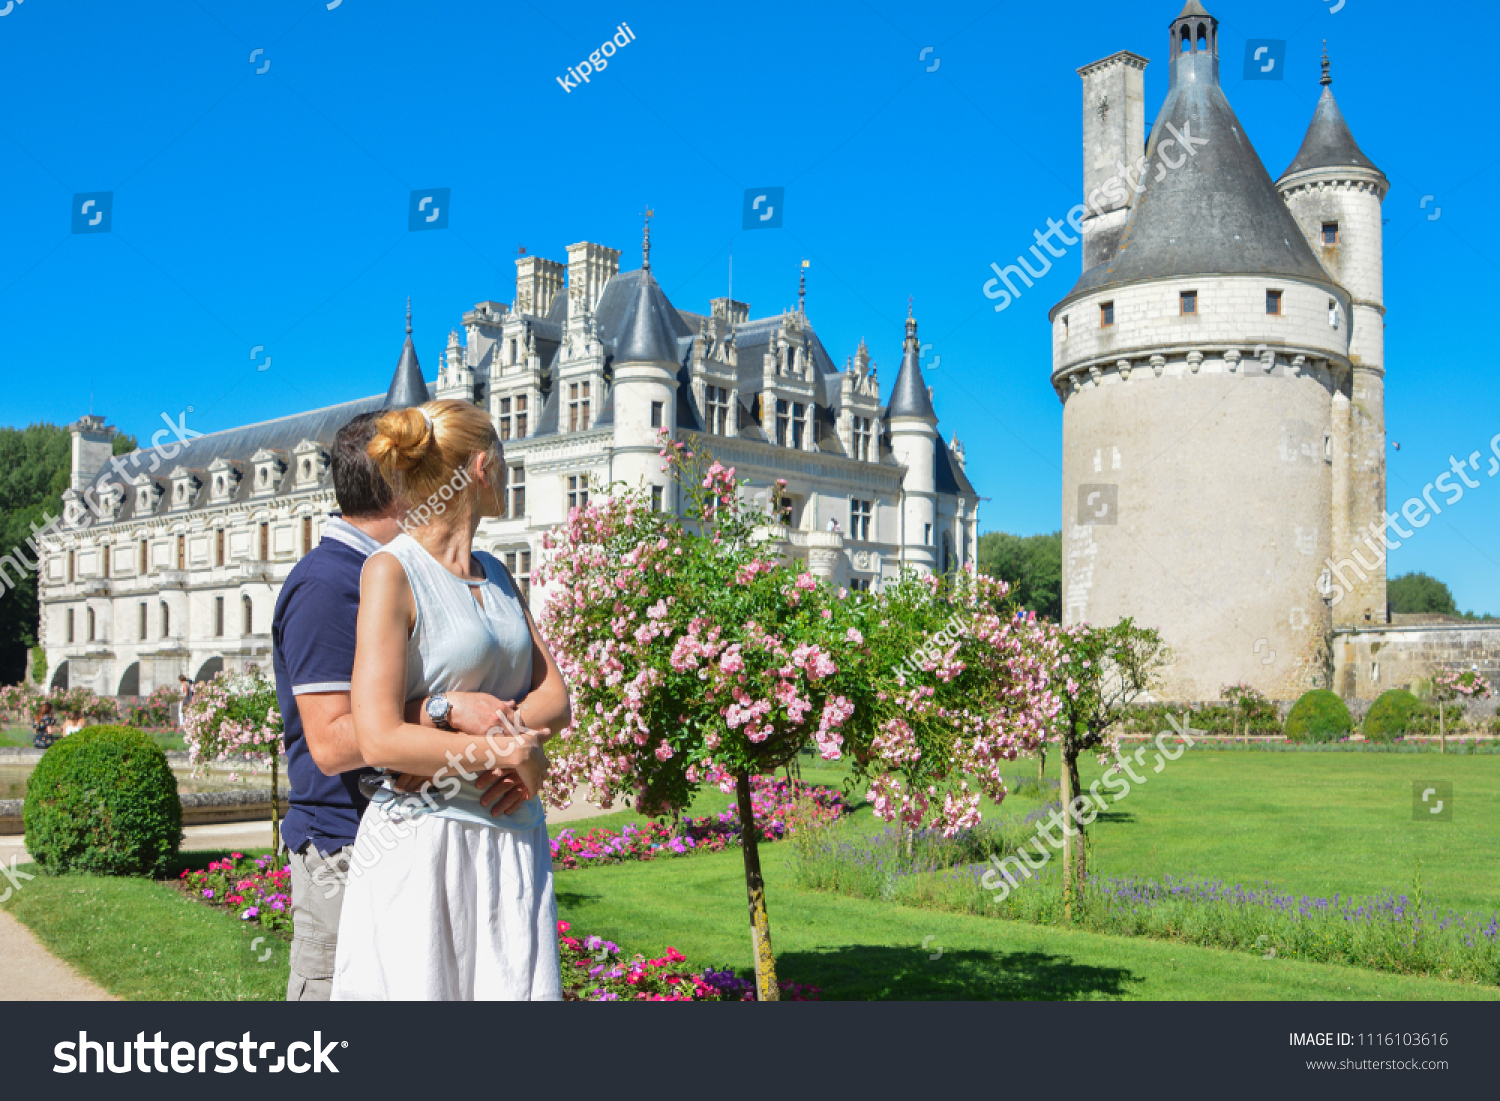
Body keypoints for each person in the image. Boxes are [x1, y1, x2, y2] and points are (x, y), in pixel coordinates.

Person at [272, 411, 542, 1002]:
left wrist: (512, 749)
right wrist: (450, 714)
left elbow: (537, 694)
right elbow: (333, 742)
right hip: (350, 840)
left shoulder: (469, 573)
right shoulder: (330, 583)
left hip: (455, 826)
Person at [333, 399, 571, 1001]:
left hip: (511, 838)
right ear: (483, 468)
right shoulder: (391, 570)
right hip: (428, 846)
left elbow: (556, 699)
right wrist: (505, 752)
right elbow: (379, 737)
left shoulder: (496, 572)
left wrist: (503, 745)